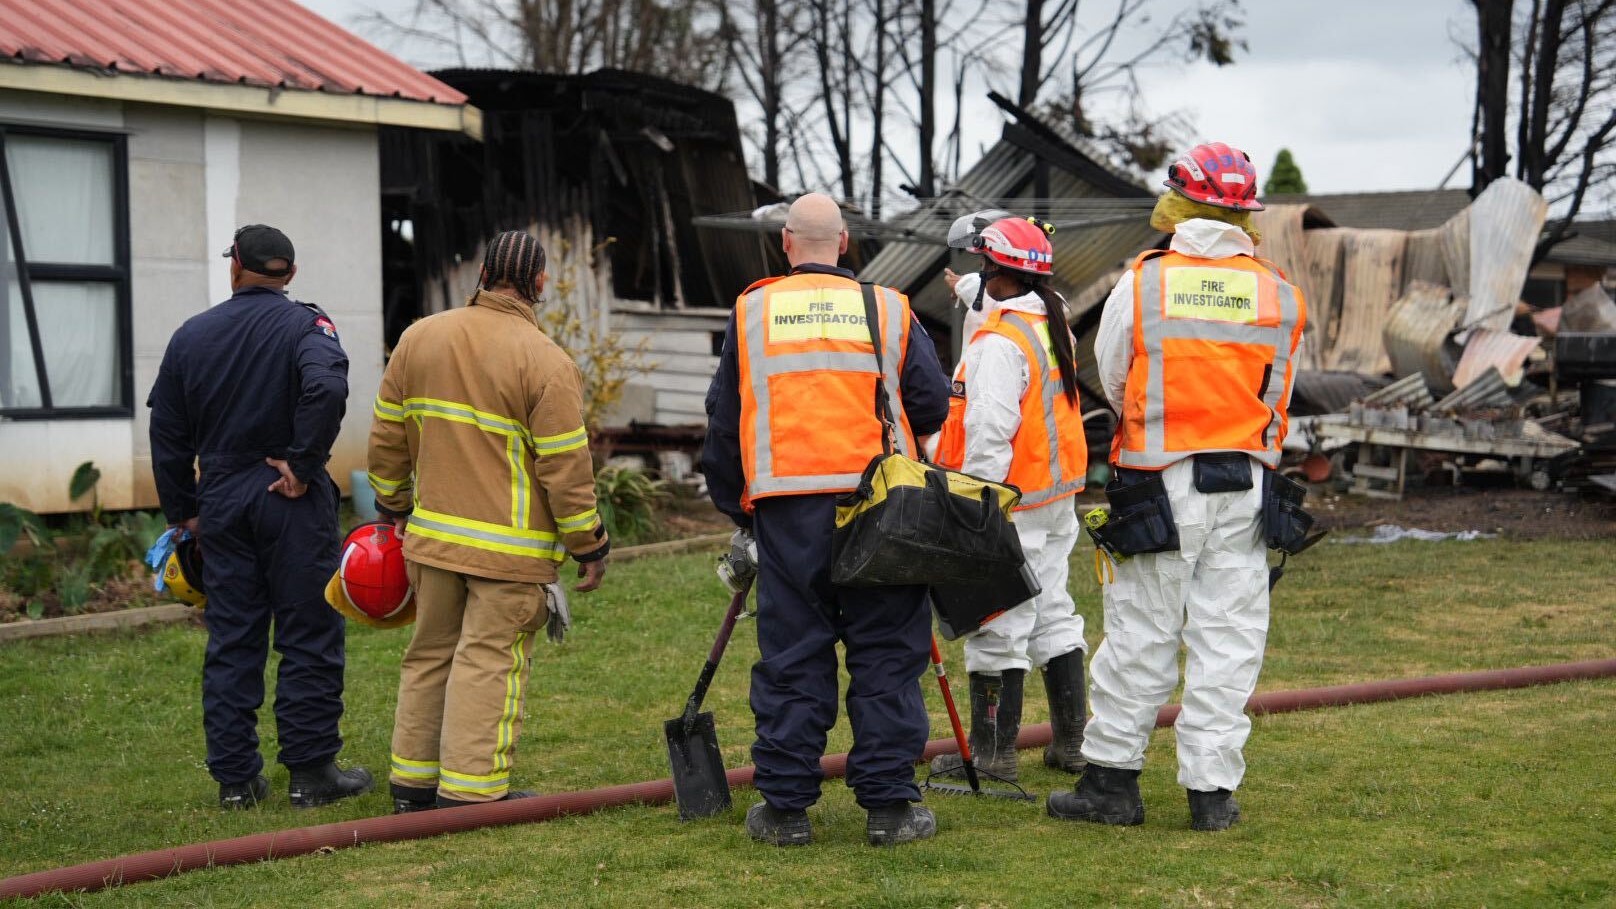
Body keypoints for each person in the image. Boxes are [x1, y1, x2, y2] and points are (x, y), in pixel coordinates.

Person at [1048, 142, 1305, 832]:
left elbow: (1111, 372)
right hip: (1249, 485)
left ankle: (1111, 783)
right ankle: (1211, 794)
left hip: (1161, 480)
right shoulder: (1278, 291)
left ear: (1178, 202)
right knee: (1230, 637)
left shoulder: (1144, 281)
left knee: (1141, 631)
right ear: (1244, 214)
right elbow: (1278, 391)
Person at [702, 193, 952, 847]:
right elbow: (929, 402)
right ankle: (891, 808)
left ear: (787, 242)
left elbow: (724, 424)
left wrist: (742, 511)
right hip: (880, 507)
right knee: (888, 654)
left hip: (788, 512)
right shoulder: (888, 308)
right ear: (843, 242)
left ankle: (785, 810)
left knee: (792, 656)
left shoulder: (751, 311)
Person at [369, 229, 609, 812]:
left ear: (482, 274)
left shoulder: (418, 339)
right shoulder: (546, 362)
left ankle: (411, 785)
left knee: (429, 656)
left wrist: (393, 508)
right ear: (539, 283)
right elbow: (566, 470)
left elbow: (386, 440)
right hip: (507, 555)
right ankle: (471, 793)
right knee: (487, 662)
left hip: (429, 543)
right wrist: (589, 544)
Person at [148, 224, 372, 810]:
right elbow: (326, 388)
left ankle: (235, 782)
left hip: (220, 498)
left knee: (233, 638)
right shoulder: (307, 325)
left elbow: (167, 435)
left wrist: (185, 514)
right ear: (289, 275)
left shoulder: (190, 337)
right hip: (288, 497)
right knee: (309, 634)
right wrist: (303, 462)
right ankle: (311, 773)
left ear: (235, 267)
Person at [927, 215, 1090, 785]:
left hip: (1007, 502)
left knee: (998, 621)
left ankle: (993, 754)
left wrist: (975, 507)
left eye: (983, 265)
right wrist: (967, 288)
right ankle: (1073, 744)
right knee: (1053, 613)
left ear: (996, 270)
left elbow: (990, 432)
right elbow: (1003, 295)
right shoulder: (1052, 319)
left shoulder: (998, 346)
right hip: (1053, 496)